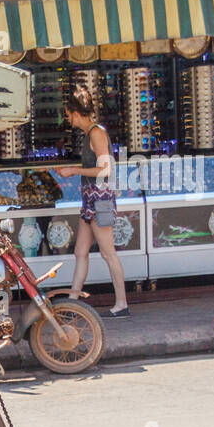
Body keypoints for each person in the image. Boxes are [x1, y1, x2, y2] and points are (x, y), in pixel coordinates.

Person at [54, 86, 129, 318]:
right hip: (91, 200)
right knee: (80, 251)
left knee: (108, 253)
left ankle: (122, 304)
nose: (67, 118)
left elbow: (104, 169)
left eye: (68, 114)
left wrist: (74, 170)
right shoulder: (90, 134)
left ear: (76, 113)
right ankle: (73, 303)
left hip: (100, 201)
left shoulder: (96, 133)